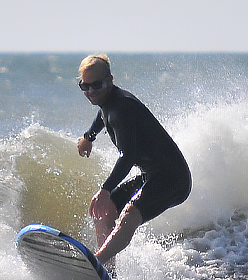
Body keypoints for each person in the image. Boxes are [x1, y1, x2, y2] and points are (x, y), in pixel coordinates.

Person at [75, 54, 192, 270]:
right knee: (104, 212)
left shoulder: (123, 107)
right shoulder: (108, 102)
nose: (90, 92)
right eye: (85, 86)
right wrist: (88, 137)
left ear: (110, 80)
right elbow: (103, 117)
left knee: (128, 214)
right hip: (153, 175)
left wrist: (105, 190)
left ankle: (97, 262)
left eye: (96, 85)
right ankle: (107, 273)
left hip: (173, 178)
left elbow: (128, 156)